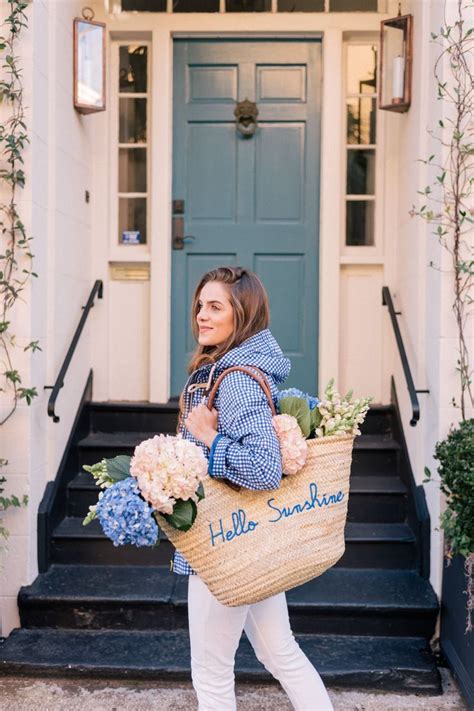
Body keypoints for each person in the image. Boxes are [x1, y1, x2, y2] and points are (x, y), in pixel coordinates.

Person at [172, 265, 334, 711]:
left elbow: (263, 467)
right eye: (200, 305)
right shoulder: (230, 370)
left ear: (241, 316)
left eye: (215, 307)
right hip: (249, 538)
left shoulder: (237, 380)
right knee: (279, 652)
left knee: (211, 671)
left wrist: (208, 439)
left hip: (223, 541)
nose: (202, 316)